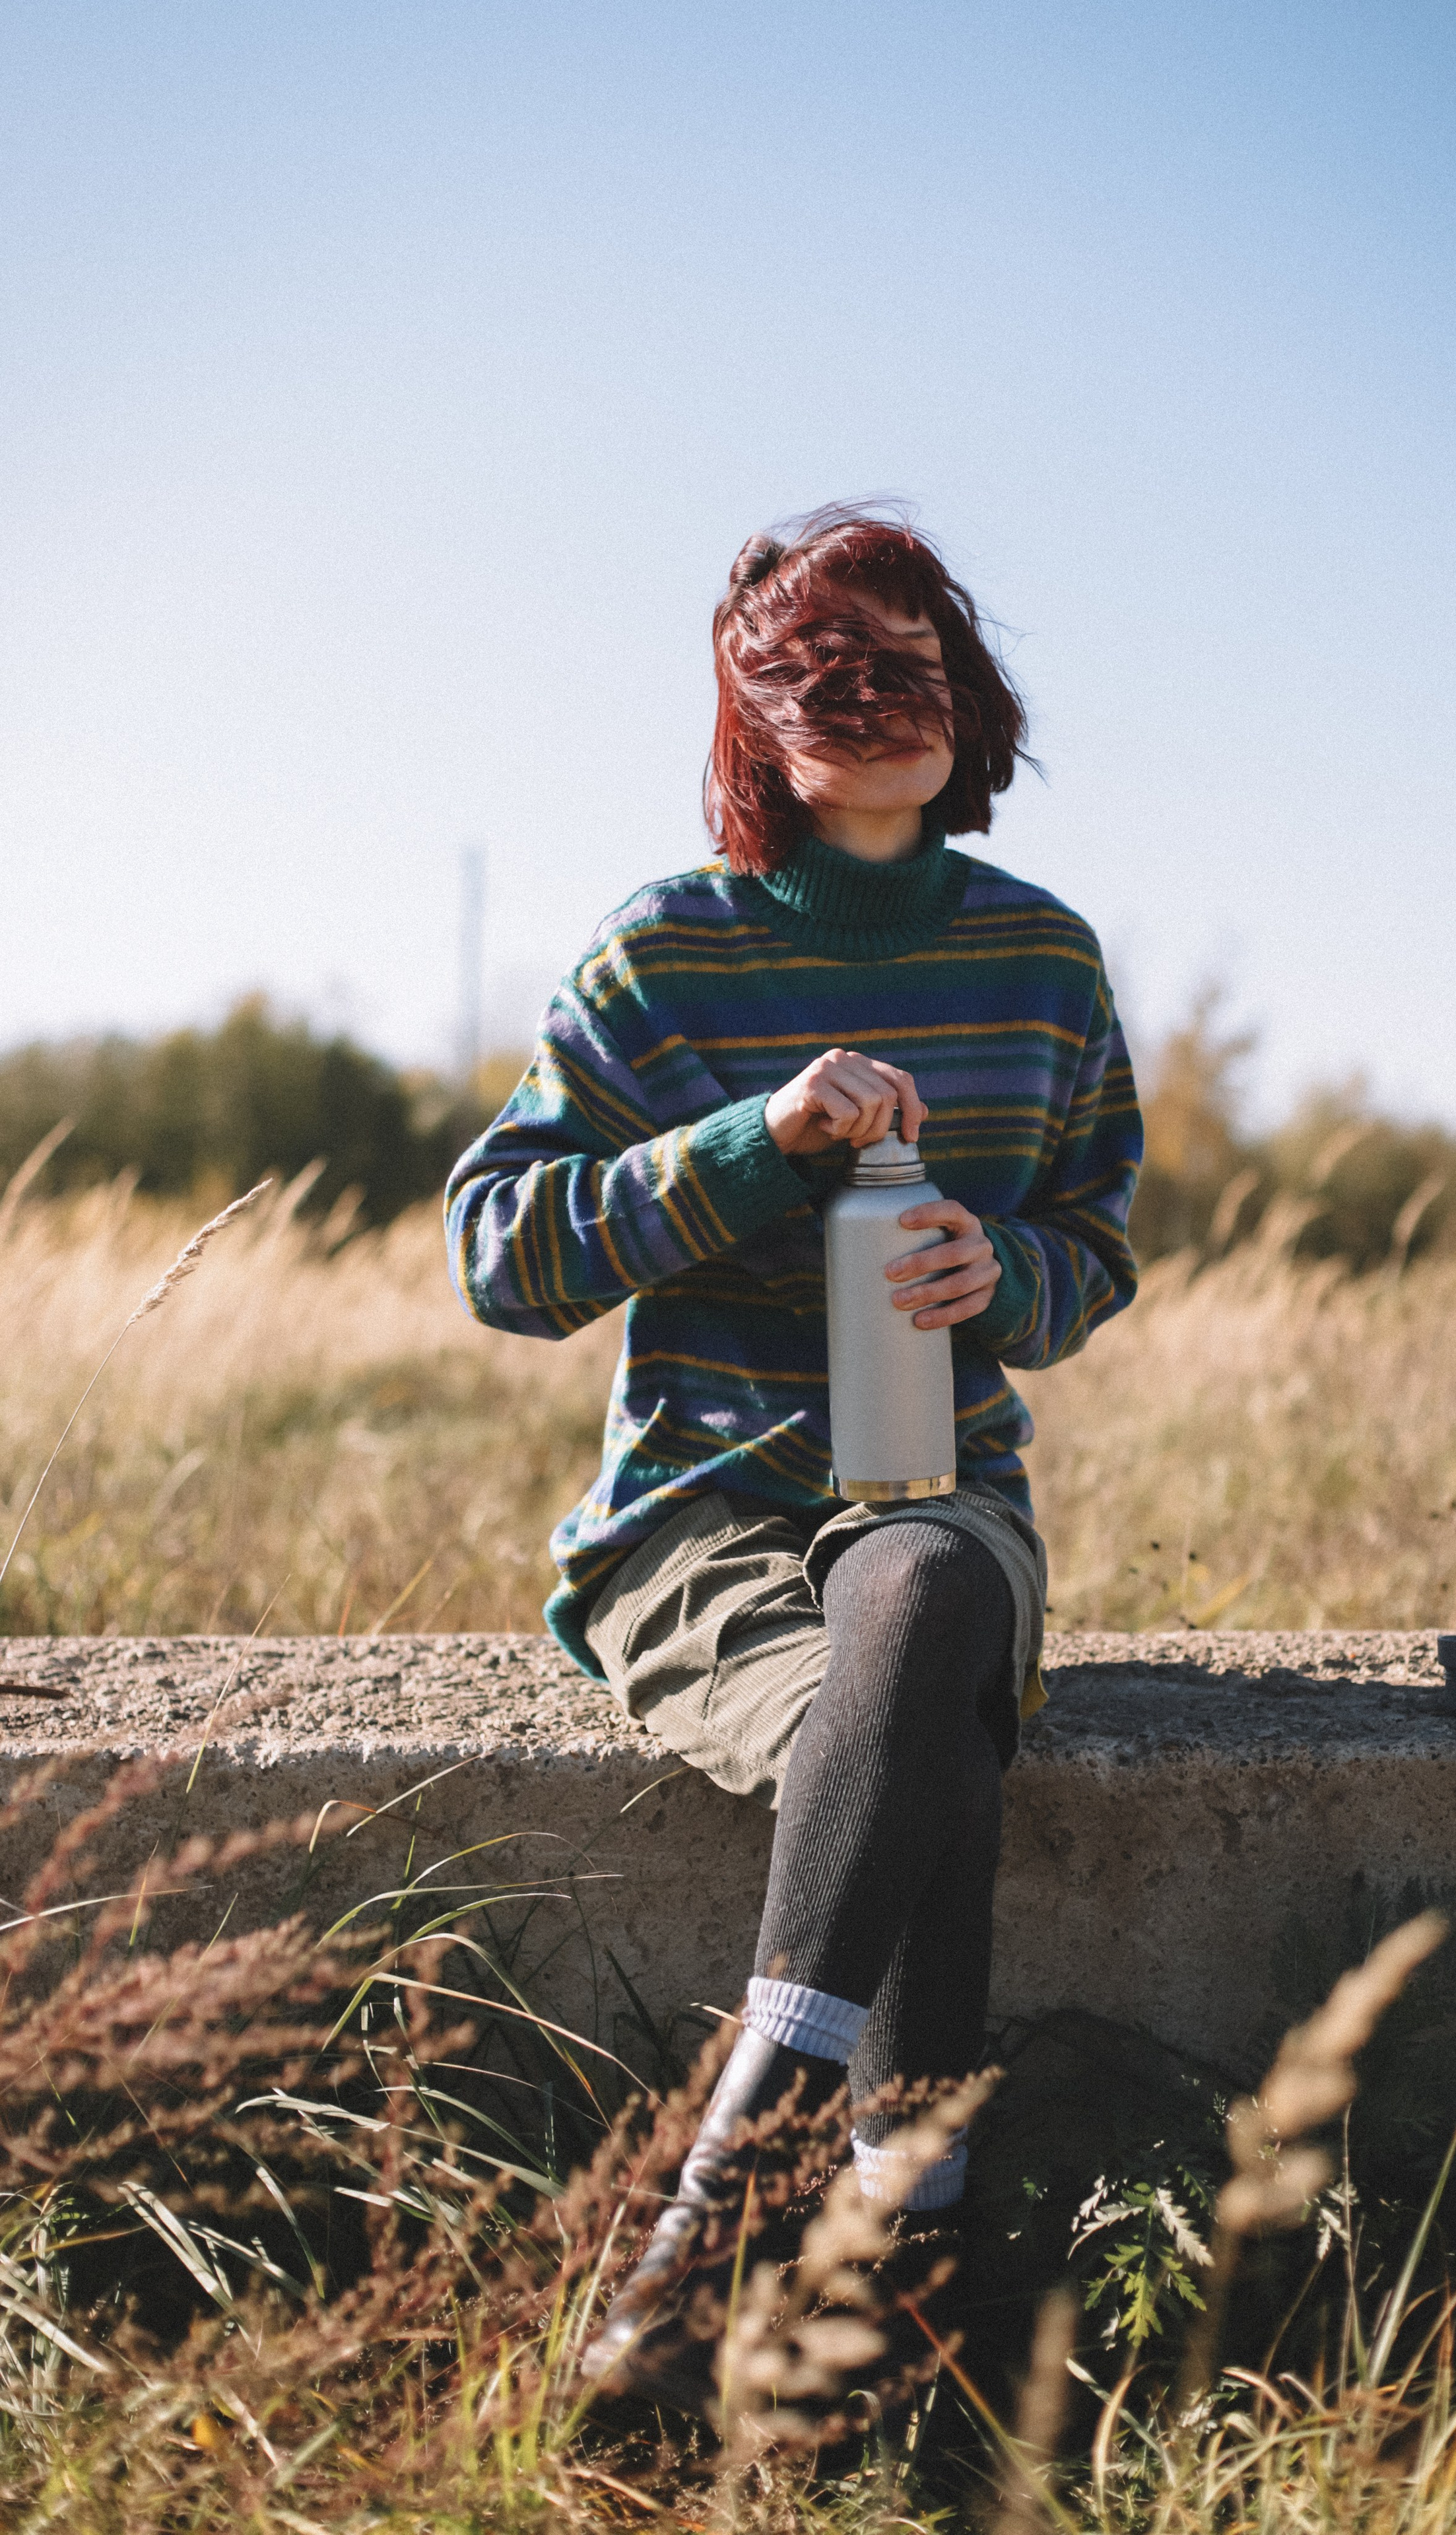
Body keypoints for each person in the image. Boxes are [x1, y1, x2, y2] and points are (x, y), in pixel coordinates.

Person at [446, 507, 1142, 2400]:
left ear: (965, 693)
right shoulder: (664, 958)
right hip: (696, 1524)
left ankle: (725, 2191)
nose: (867, 704)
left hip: (944, 1499)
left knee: (919, 1593)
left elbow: (1097, 1259)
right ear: (755, 720)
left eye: (904, 659)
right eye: (814, 672)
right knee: (924, 1748)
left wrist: (1003, 1271)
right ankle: (907, 2277)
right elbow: (501, 1258)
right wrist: (747, 1147)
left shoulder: (1042, 964)